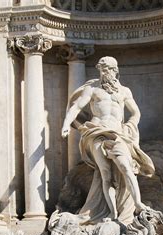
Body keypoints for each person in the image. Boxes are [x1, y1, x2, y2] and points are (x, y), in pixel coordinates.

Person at [61, 56, 155, 224]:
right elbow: (77, 106)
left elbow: (136, 112)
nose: (105, 72)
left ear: (115, 70)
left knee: (126, 166)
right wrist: (66, 124)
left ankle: (138, 203)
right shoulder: (93, 89)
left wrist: (130, 126)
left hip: (118, 134)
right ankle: (112, 212)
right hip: (97, 132)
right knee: (105, 173)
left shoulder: (124, 91)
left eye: (108, 69)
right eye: (102, 69)